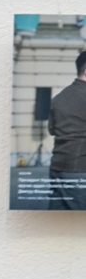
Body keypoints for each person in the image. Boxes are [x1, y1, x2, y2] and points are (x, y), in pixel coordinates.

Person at [48, 50, 86, 210]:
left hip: (57, 168)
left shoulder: (59, 97)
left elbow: (52, 130)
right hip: (80, 169)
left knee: (57, 220)